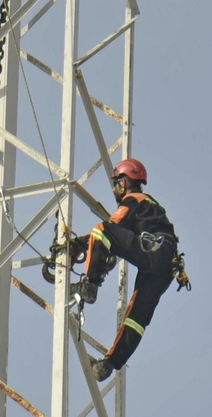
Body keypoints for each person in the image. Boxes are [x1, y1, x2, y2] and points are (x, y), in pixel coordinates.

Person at [72, 158, 181, 382]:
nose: (114, 189)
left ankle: (90, 286)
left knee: (101, 230)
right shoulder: (152, 208)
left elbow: (113, 225)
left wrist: (79, 244)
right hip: (166, 266)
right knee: (136, 318)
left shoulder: (135, 199)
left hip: (153, 251)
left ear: (125, 182)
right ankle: (107, 365)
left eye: (116, 183)